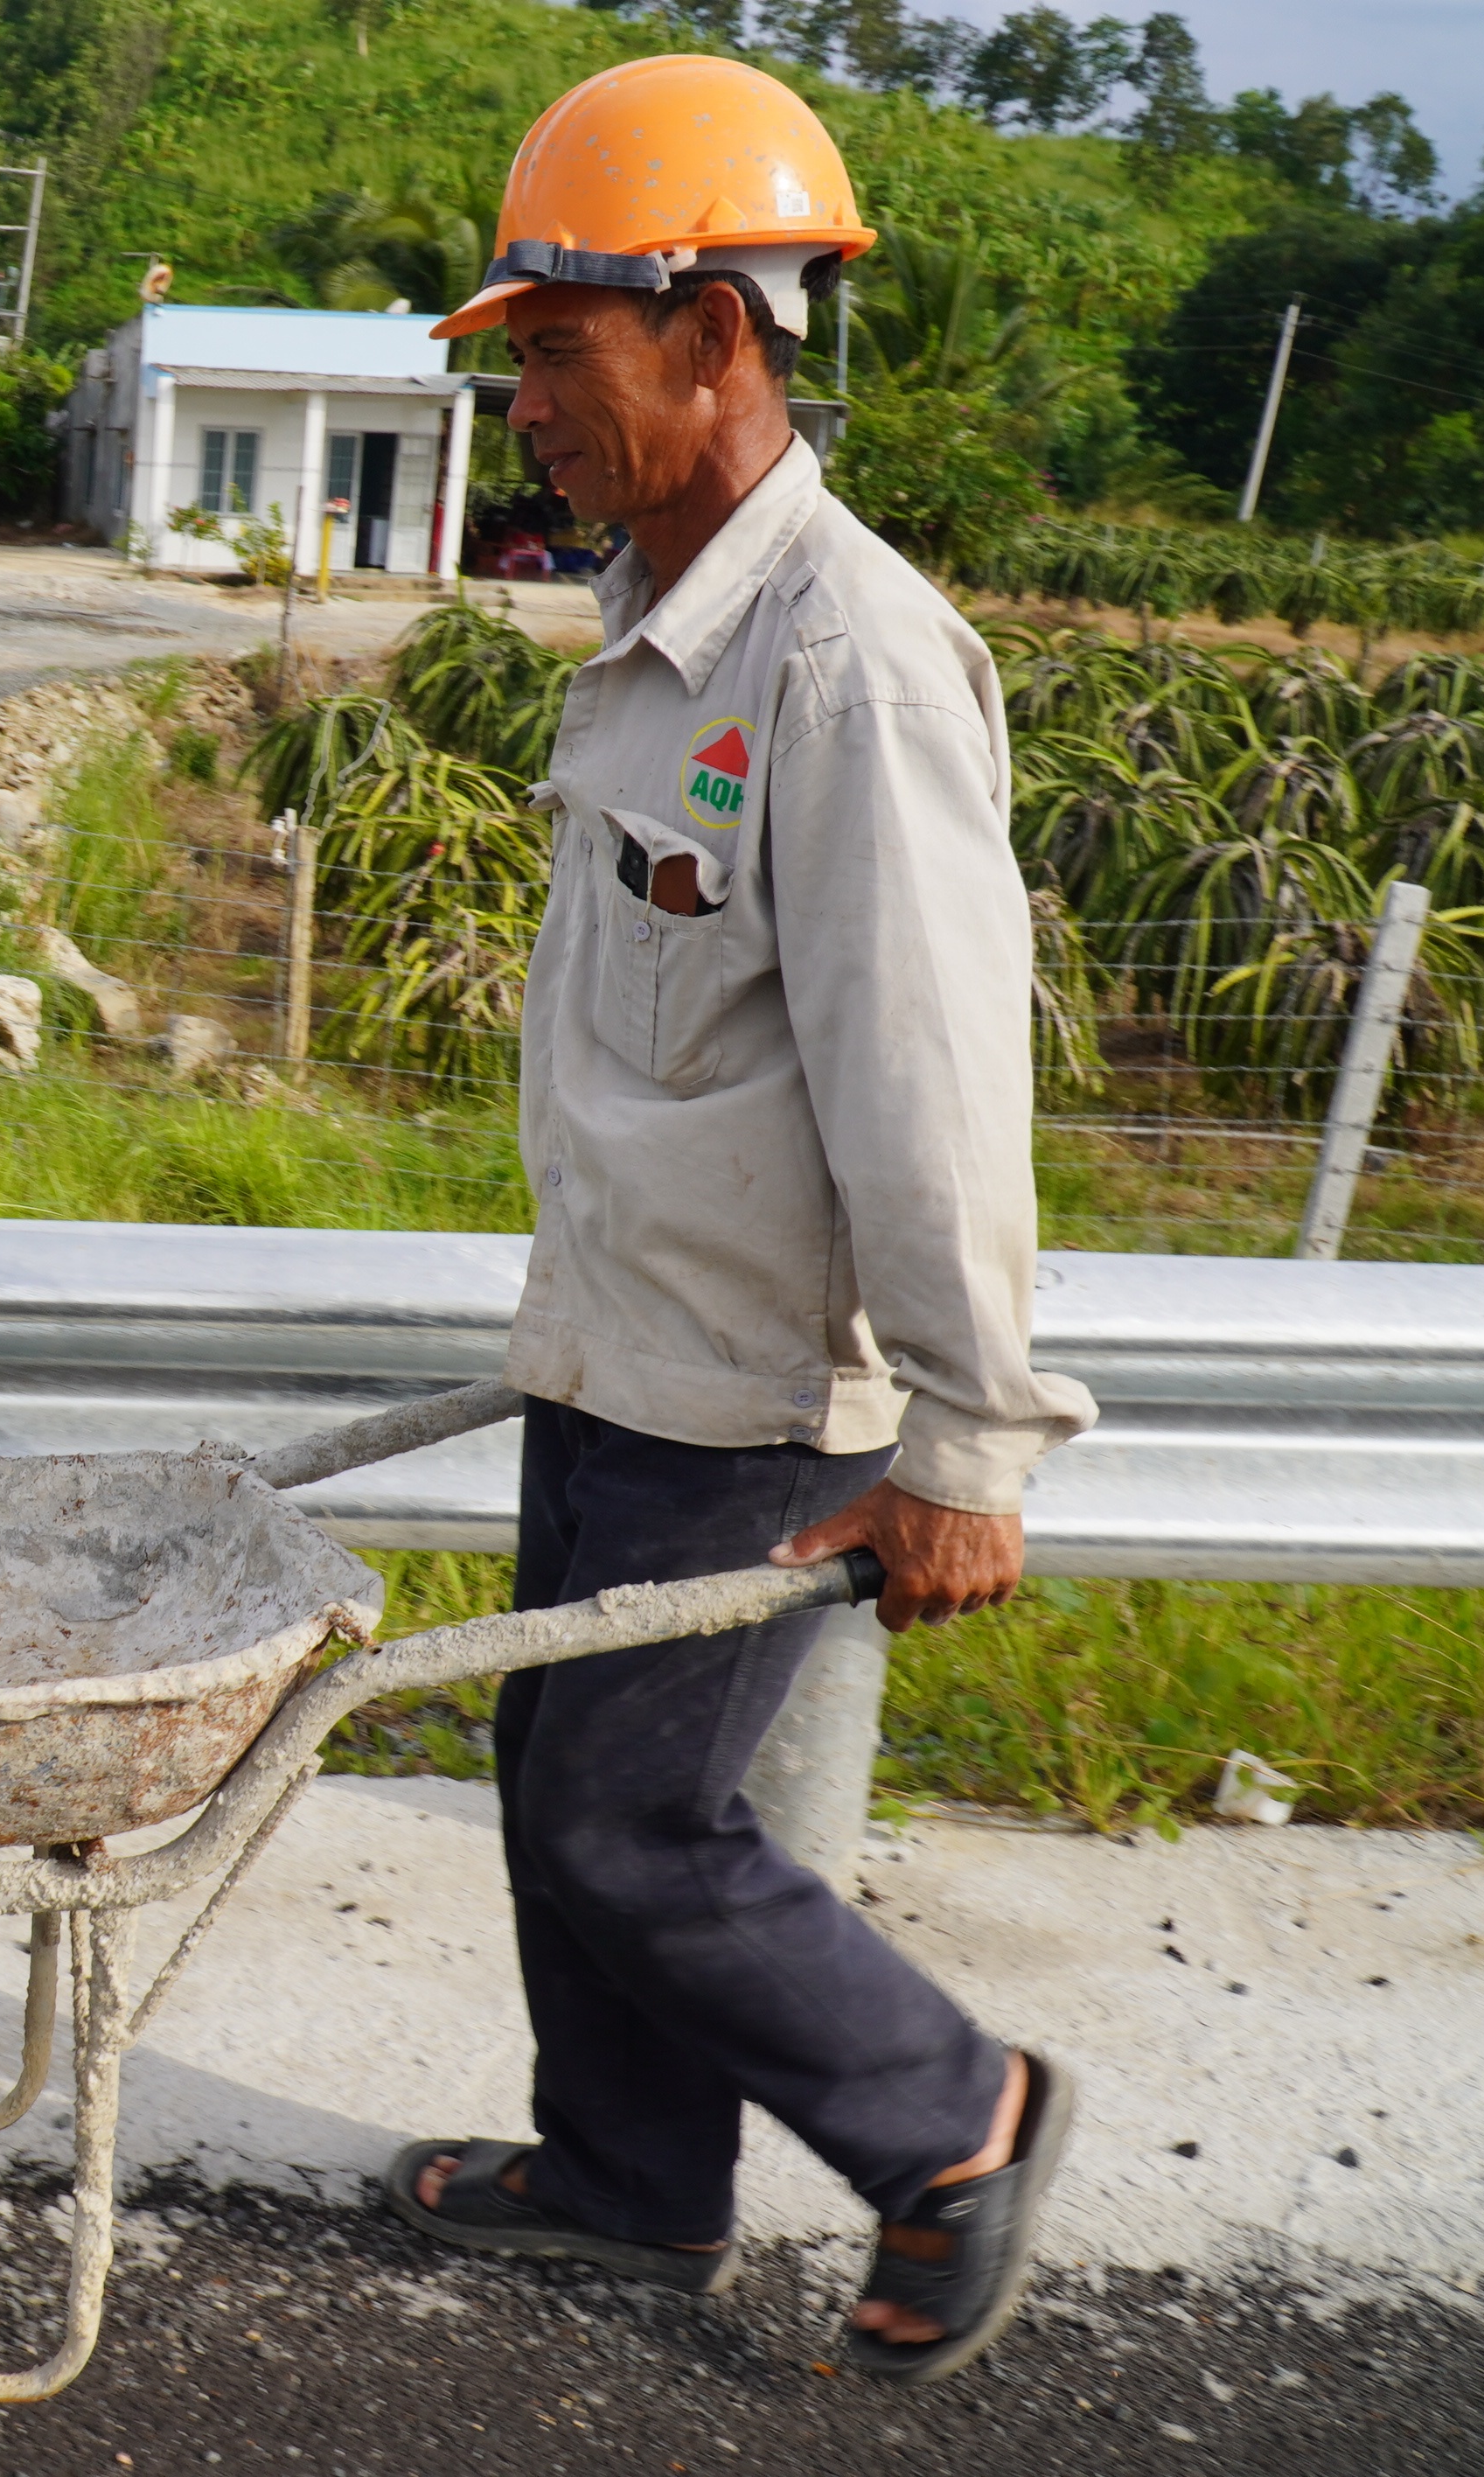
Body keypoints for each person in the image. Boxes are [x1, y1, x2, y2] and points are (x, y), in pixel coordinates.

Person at [374, 55, 1099, 2388]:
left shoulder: (847, 665)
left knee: (633, 1818)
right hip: (617, 1343)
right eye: (514, 366)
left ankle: (953, 2118)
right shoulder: (656, 622)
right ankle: (624, 2185)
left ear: (711, 332)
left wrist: (970, 1440)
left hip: (766, 1389)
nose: (532, 413)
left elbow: (927, 1074)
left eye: (558, 359)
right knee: (552, 1784)